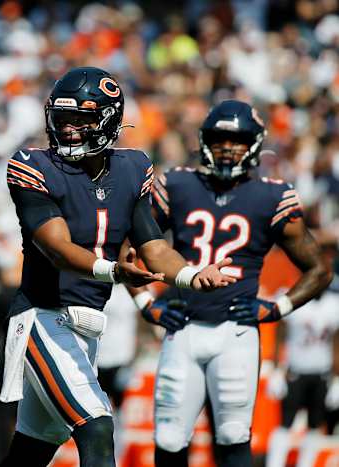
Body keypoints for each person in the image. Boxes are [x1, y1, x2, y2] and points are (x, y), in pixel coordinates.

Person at [0, 67, 235, 467]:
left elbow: (155, 248)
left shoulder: (133, 167)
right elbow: (57, 248)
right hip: (42, 317)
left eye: (83, 119)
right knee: (97, 425)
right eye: (63, 118)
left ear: (108, 119)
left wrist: (193, 274)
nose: (70, 129)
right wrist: (113, 271)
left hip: (87, 323)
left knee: (32, 450)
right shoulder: (33, 165)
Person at [145, 100, 333, 467]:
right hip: (183, 327)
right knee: (168, 437)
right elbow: (130, 248)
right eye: (219, 139)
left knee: (233, 435)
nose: (228, 147)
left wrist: (278, 307)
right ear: (204, 141)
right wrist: (145, 304)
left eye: (239, 140)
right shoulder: (178, 184)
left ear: (255, 144)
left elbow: (319, 269)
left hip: (236, 331)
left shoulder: (272, 195)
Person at [265, 243, 339, 467]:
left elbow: (336, 342)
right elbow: (280, 334)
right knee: (285, 423)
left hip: (321, 372)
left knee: (315, 424)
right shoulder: (295, 299)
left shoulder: (334, 304)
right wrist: (277, 368)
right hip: (295, 370)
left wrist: (336, 378)